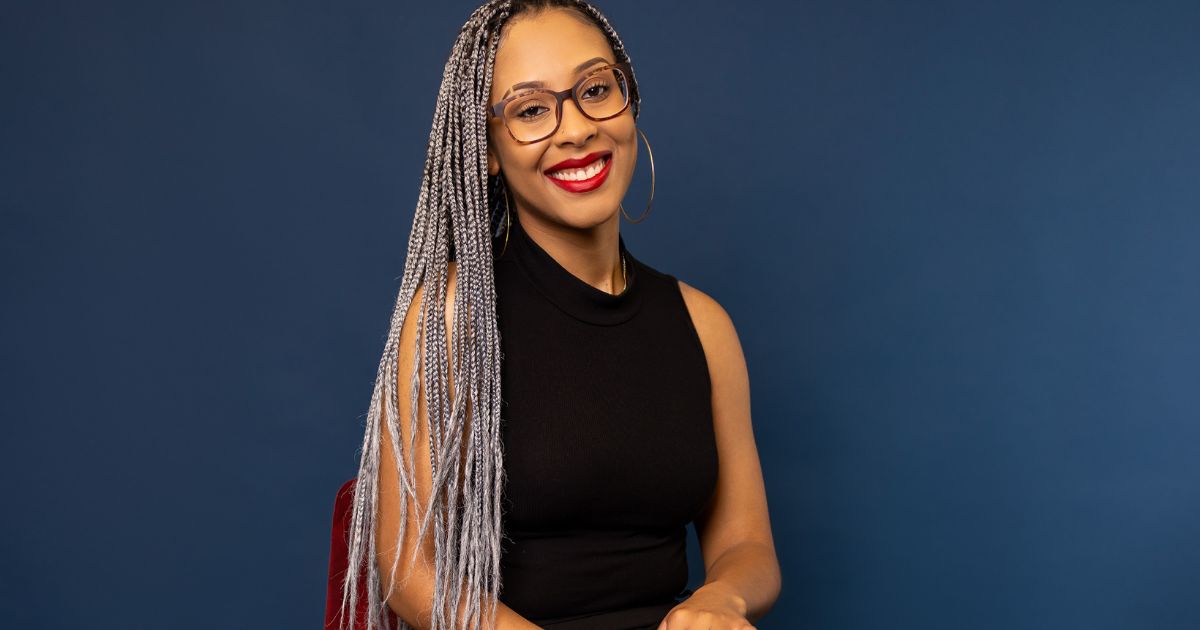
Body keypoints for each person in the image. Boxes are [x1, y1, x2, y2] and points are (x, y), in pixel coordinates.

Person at [336, 1, 781, 628]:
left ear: (629, 104)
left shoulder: (704, 325)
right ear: (486, 150)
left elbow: (748, 547)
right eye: (531, 109)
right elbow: (409, 568)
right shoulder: (452, 322)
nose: (575, 129)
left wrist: (718, 600)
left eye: (596, 90)